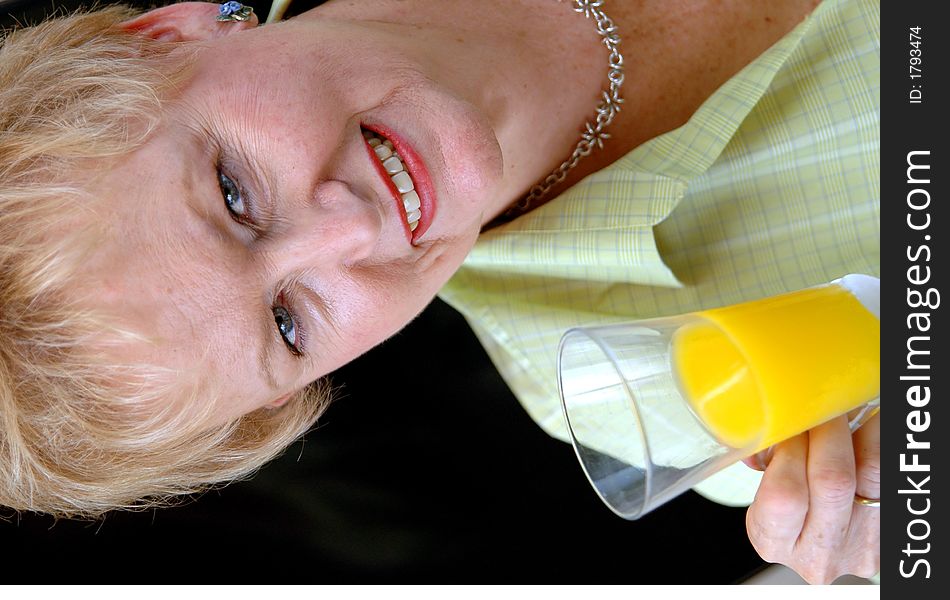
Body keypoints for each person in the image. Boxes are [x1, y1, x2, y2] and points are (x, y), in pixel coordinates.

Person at [0, 0, 879, 583]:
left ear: (164, 36)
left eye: (235, 195)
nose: (351, 235)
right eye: (289, 322)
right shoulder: (674, 392)